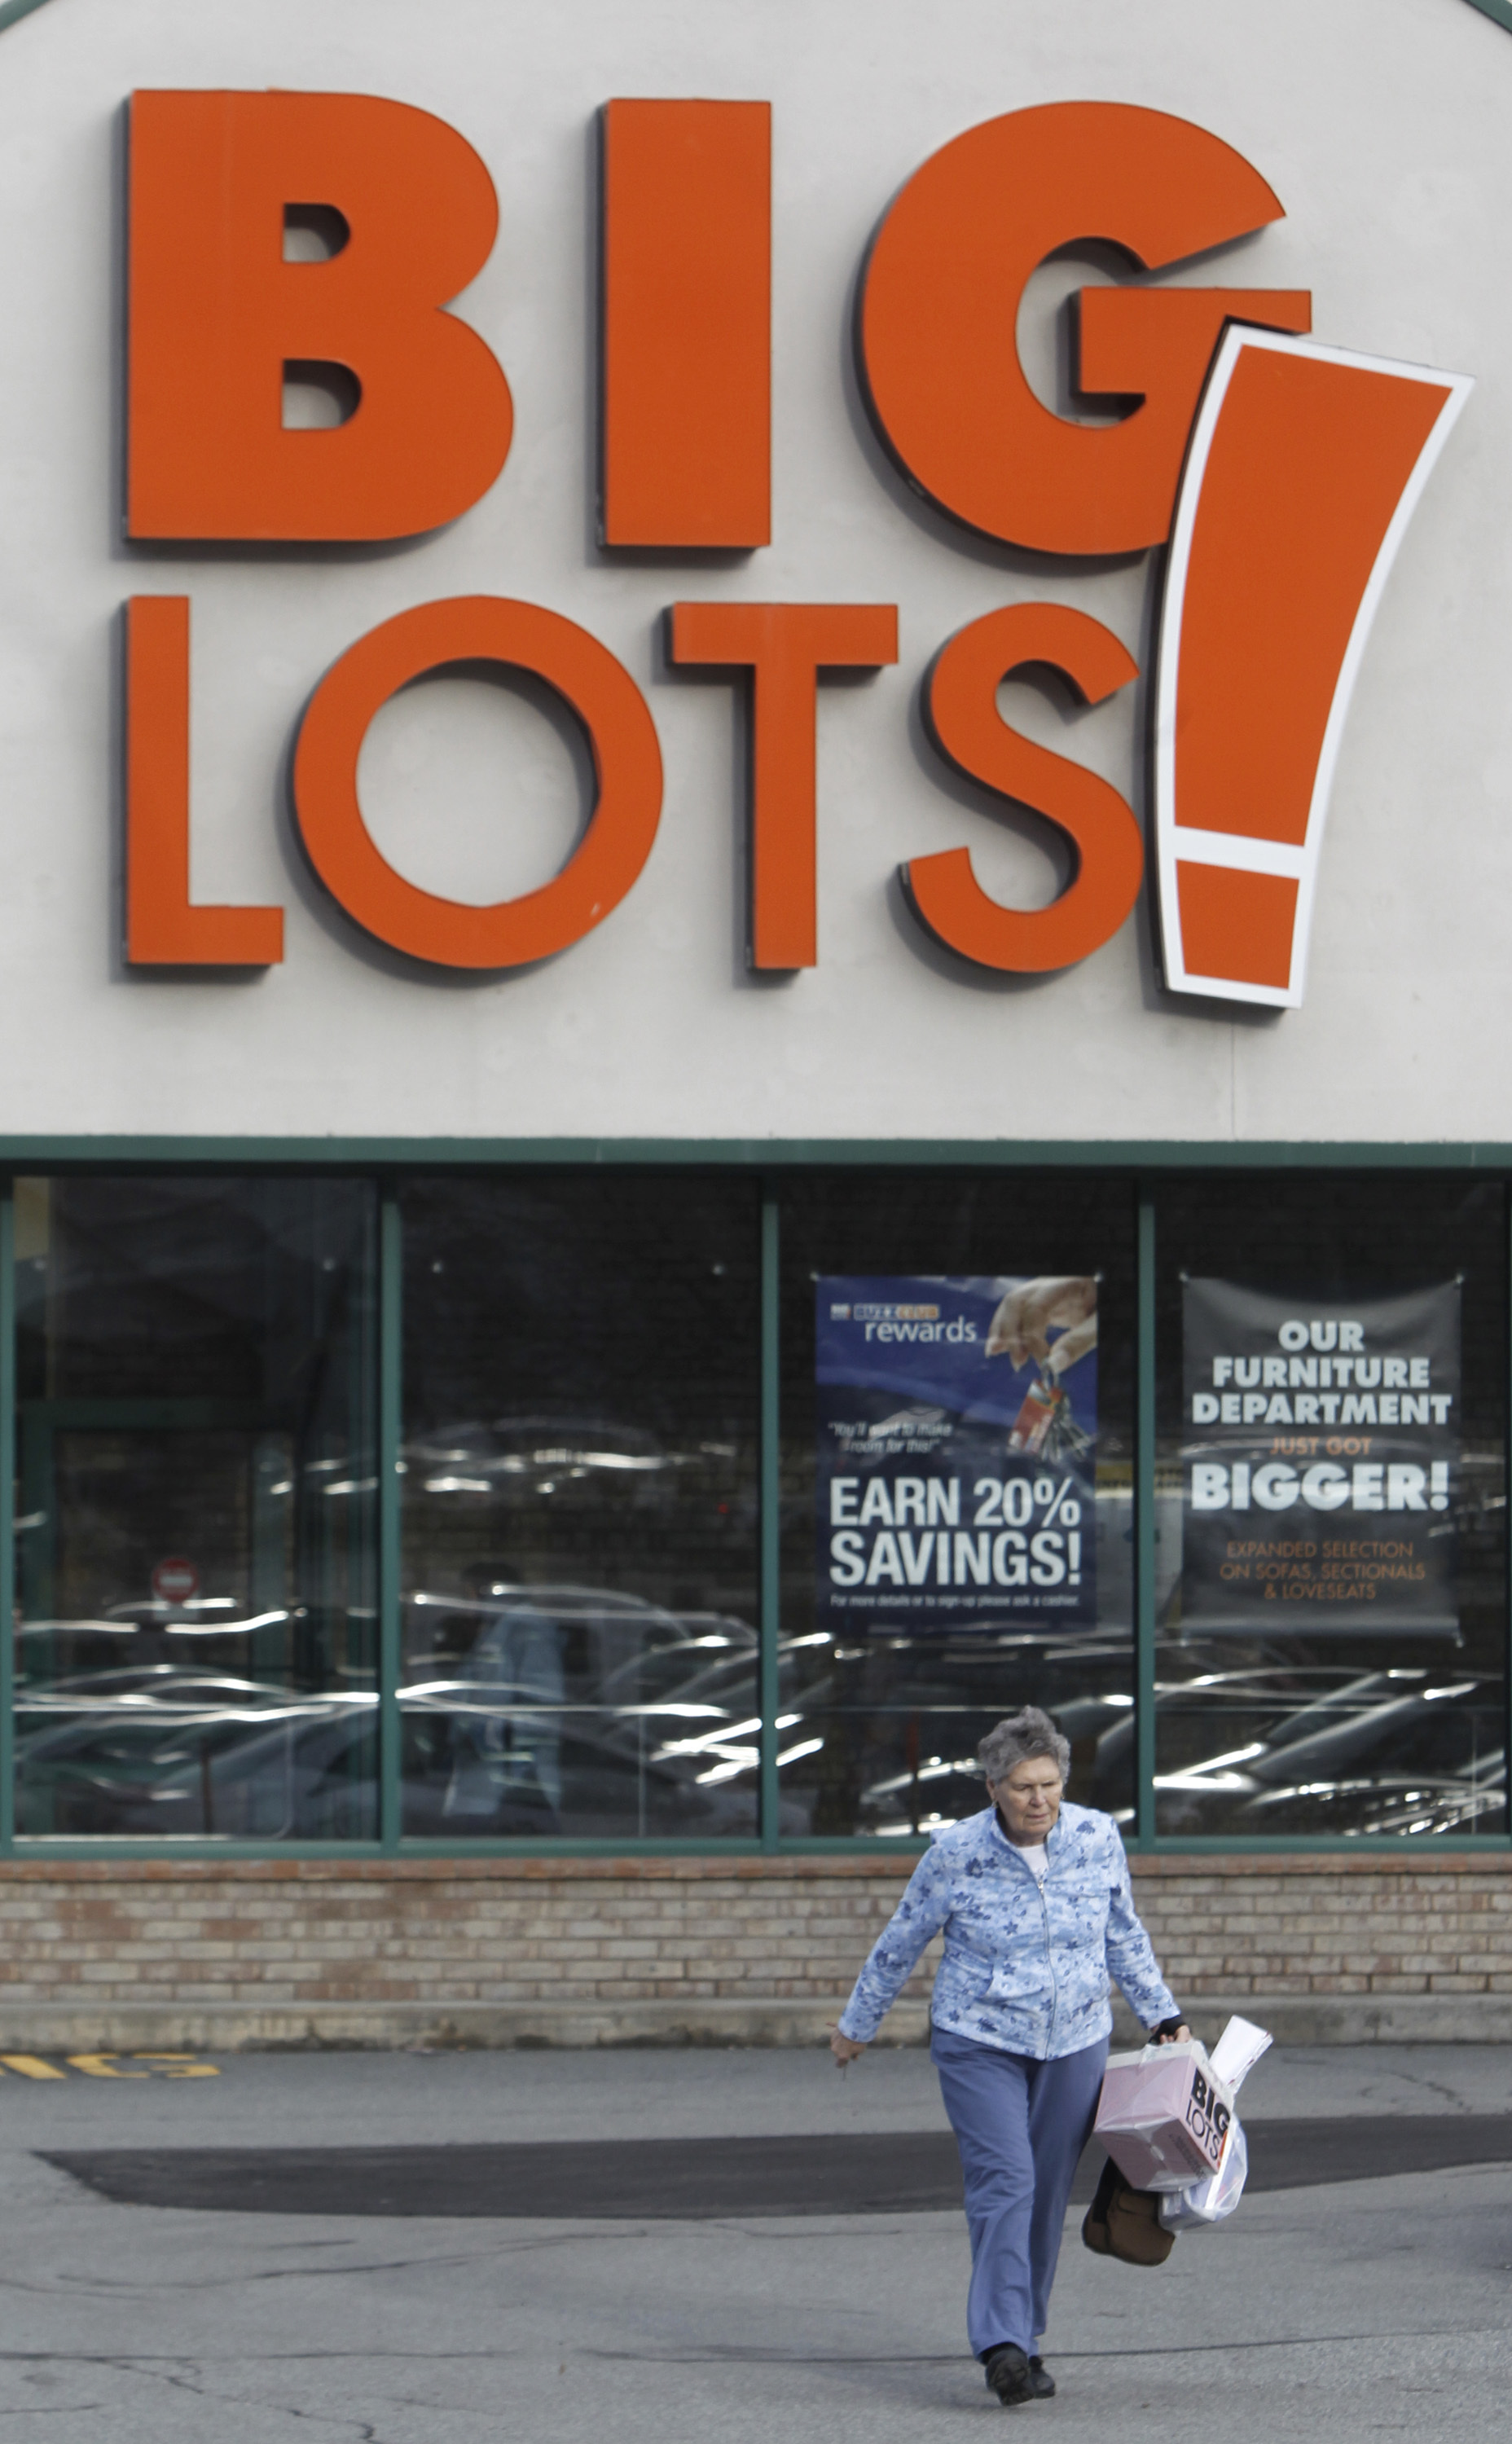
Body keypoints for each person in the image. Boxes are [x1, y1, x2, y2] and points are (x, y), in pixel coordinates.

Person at [829, 1706, 1189, 2410]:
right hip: (979, 2041)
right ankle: (998, 2345)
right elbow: (902, 1940)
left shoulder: (1095, 1837)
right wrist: (858, 2023)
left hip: (1075, 2040)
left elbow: (1123, 1935)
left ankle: (1025, 2339)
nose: (1039, 1801)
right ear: (992, 1788)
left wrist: (1163, 2016)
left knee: (1047, 2191)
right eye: (1023, 1786)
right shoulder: (956, 1854)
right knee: (1007, 2182)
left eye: (1049, 1784)